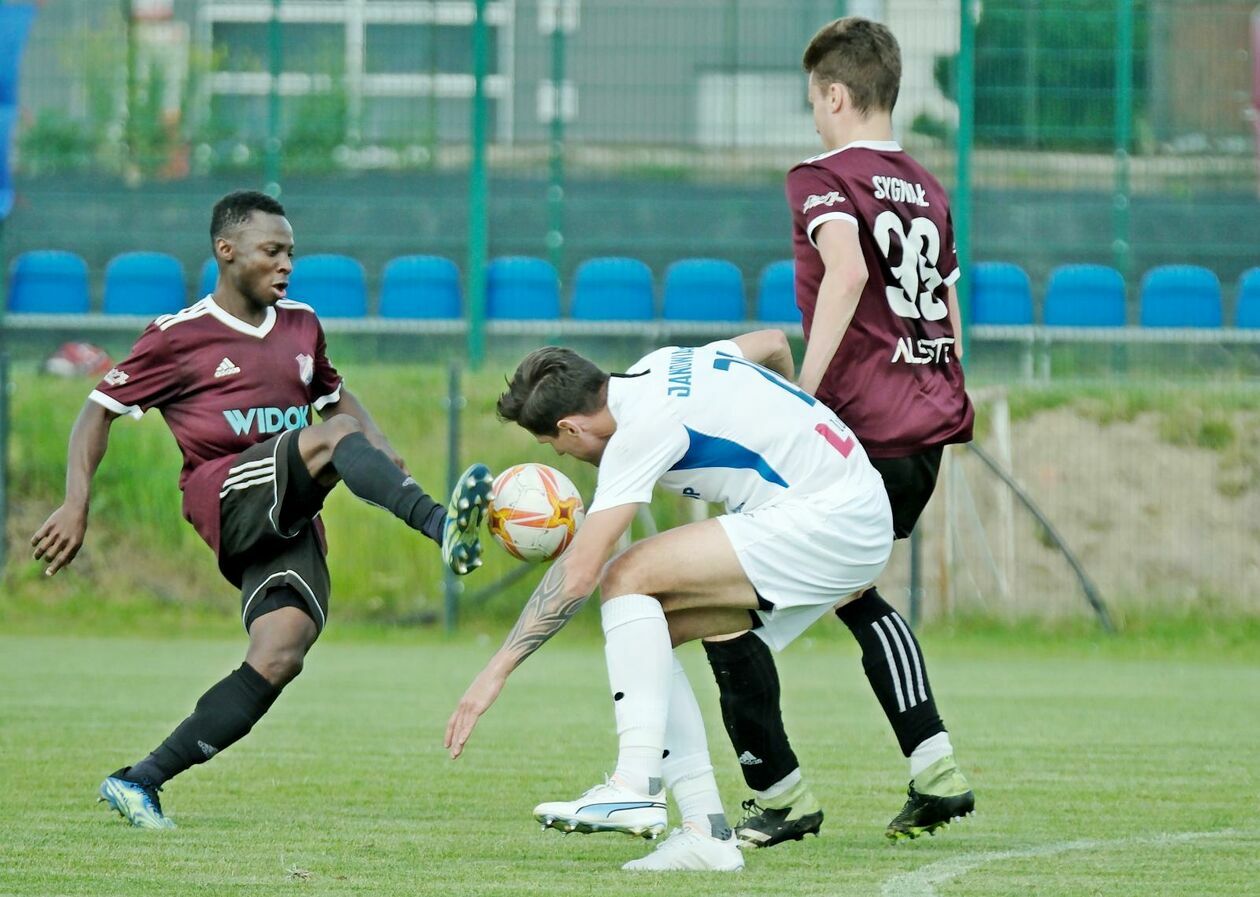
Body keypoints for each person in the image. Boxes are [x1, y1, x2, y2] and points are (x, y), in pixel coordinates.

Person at [30, 190, 492, 829]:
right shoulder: (178, 336)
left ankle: (138, 781)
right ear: (227, 251)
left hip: (286, 512)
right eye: (272, 251)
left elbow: (334, 397)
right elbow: (97, 411)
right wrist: (75, 502)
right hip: (225, 495)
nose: (286, 265)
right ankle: (442, 527)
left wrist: (379, 449)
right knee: (332, 443)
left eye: (291, 253)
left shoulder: (301, 323)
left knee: (283, 649)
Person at [444, 332, 894, 872]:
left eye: (555, 446)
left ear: (570, 426)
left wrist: (496, 671)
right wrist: (794, 416)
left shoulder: (640, 429)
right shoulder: (665, 365)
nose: (565, 455)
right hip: (850, 504)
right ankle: (707, 831)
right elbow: (774, 343)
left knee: (623, 577)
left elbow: (580, 573)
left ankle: (634, 783)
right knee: (659, 627)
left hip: (831, 515)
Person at [701, 17, 976, 849]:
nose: (814, 119)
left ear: (835, 94)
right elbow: (949, 308)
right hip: (923, 434)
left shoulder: (820, 175)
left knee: (716, 603)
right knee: (856, 591)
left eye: (814, 102)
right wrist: (945, 384)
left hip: (857, 435)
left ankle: (778, 792)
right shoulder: (927, 185)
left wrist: (805, 402)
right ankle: (935, 768)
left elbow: (848, 270)